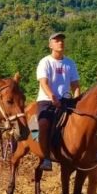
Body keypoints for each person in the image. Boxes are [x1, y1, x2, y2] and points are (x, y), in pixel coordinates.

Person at [36, 32, 80, 171]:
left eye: (61, 40)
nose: (60, 42)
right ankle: (46, 157)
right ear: (50, 45)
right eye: (56, 40)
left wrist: (76, 99)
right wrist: (52, 97)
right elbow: (44, 82)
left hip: (66, 101)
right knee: (43, 124)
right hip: (47, 100)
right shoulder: (45, 62)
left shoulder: (70, 63)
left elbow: (75, 85)